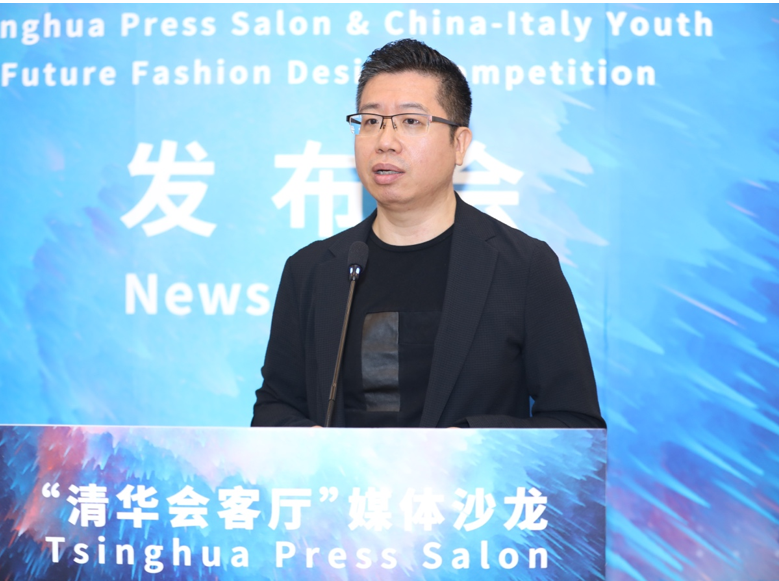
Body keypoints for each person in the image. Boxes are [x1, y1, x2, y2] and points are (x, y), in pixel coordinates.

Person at [251, 39, 605, 429]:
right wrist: (320, 448)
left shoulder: (522, 267)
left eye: (411, 121)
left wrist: (463, 446)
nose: (385, 142)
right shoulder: (313, 270)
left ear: (459, 144)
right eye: (371, 121)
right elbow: (273, 411)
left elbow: (576, 425)